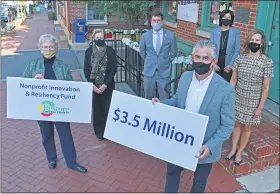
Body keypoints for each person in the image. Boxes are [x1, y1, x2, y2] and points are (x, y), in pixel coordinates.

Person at [152, 40, 235, 193]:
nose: (201, 61)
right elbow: (177, 100)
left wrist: (210, 146)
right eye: (197, 57)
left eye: (205, 58)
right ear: (192, 57)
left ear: (213, 61)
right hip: (180, 139)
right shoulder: (185, 77)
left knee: (199, 183)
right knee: (172, 173)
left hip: (205, 146)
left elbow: (227, 125)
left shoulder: (225, 89)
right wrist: (162, 104)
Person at [22, 34, 87, 174]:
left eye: (51, 46)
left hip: (60, 107)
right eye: (45, 47)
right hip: (41, 107)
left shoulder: (62, 66)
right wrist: (34, 80)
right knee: (46, 134)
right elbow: (23, 83)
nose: (48, 49)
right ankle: (51, 158)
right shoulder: (33, 65)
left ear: (56, 48)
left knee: (65, 135)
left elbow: (71, 86)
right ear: (40, 49)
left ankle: (71, 162)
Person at [225, 29, 274, 165]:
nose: (254, 42)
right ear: (248, 41)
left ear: (262, 43)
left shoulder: (267, 62)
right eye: (252, 40)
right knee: (236, 124)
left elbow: (266, 88)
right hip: (238, 97)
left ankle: (240, 151)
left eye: (257, 40)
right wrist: (229, 96)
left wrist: (260, 108)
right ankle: (234, 148)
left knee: (247, 127)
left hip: (253, 100)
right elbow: (233, 79)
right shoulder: (240, 58)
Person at [84, 28, 117, 141]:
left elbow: (113, 69)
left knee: (107, 109)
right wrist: (92, 85)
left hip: (107, 86)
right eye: (97, 38)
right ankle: (99, 132)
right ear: (93, 38)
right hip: (94, 86)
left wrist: (105, 85)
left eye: (101, 38)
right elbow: (86, 69)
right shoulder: (88, 52)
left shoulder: (110, 51)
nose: (99, 40)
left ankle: (108, 132)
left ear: (104, 38)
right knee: (97, 110)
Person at [140, 10, 177, 100]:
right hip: (149, 71)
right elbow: (142, 52)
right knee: (147, 98)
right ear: (151, 21)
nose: (156, 22)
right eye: (154, 20)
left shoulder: (170, 35)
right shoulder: (145, 36)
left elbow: (173, 52)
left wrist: (166, 61)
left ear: (162, 21)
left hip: (164, 72)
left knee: (165, 98)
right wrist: (150, 60)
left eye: (158, 20)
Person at [210, 9, 240, 82]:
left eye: (228, 17)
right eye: (224, 17)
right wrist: (213, 63)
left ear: (231, 19)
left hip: (228, 61)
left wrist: (230, 64)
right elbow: (211, 48)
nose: (226, 19)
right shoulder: (214, 31)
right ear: (221, 18)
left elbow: (237, 50)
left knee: (225, 84)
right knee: (214, 83)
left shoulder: (236, 32)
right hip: (216, 60)